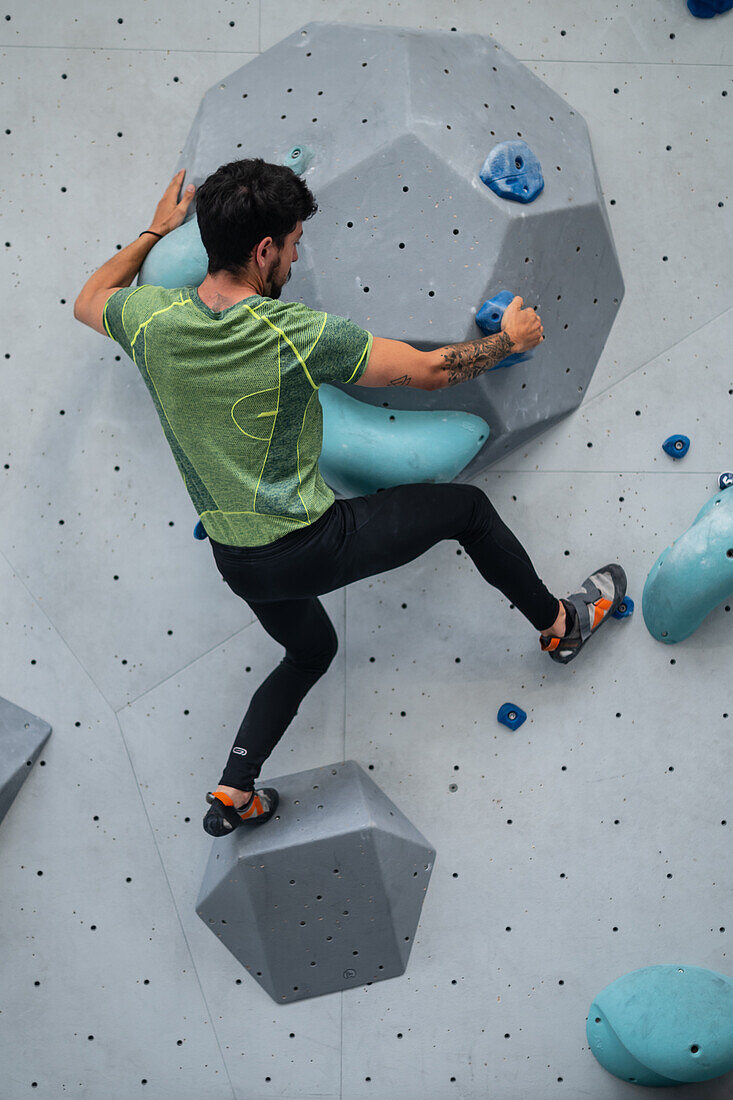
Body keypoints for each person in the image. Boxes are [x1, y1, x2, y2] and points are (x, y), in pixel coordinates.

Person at [86, 158, 626, 837]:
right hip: (311, 543)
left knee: (309, 652)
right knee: (467, 513)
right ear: (262, 252)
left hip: (238, 560)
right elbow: (429, 372)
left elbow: (86, 298)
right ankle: (561, 627)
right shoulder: (297, 334)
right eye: (292, 244)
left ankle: (234, 793)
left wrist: (149, 232)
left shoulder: (147, 318)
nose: (295, 253)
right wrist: (507, 341)